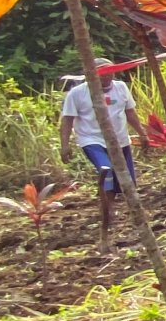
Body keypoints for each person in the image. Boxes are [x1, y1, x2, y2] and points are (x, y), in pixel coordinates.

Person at [59, 68, 145, 245]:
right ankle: (107, 212)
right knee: (107, 172)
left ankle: (135, 213)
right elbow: (67, 120)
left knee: (128, 180)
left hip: (120, 140)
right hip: (92, 139)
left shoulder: (121, 88)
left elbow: (130, 113)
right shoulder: (77, 93)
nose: (107, 77)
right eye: (102, 74)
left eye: (110, 73)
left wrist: (143, 134)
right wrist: (65, 145)